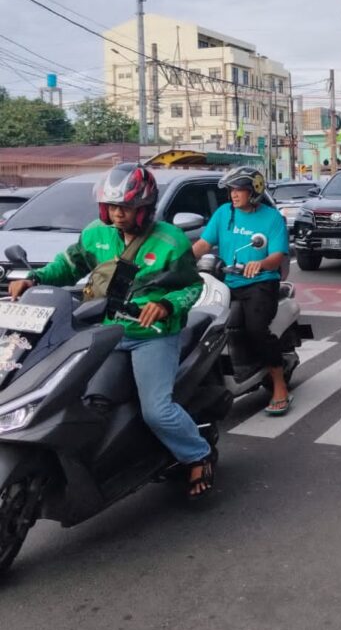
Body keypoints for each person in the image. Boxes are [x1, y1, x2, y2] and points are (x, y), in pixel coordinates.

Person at [9, 165, 213, 501]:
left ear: (145, 209)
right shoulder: (95, 234)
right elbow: (70, 265)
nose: (118, 214)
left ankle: (196, 454)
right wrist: (36, 280)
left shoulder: (170, 241)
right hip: (105, 331)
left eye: (127, 208)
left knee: (157, 411)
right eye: (113, 206)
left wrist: (165, 304)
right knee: (79, 398)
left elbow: (191, 287)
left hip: (153, 336)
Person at [192, 168, 291, 415]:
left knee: (256, 329)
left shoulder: (272, 218)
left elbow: (278, 255)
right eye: (231, 190)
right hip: (226, 281)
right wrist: (179, 259)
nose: (233, 195)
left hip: (261, 283)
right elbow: (205, 243)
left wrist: (261, 264)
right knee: (200, 323)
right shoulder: (224, 213)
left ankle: (279, 386)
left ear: (254, 191)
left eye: (239, 190)